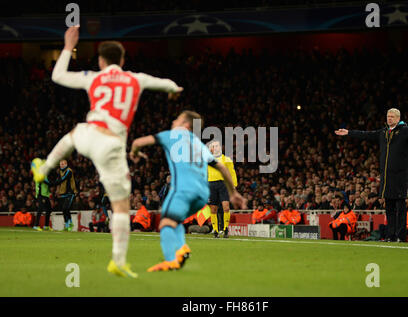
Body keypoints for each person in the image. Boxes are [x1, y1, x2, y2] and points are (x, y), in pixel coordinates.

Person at [30, 26, 183, 278]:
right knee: (121, 207)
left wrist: (68, 47)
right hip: (111, 146)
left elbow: (57, 76)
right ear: (122, 61)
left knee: (72, 134)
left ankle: (43, 169)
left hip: (90, 134)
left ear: (101, 61)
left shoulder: (93, 77)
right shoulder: (135, 78)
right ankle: (118, 262)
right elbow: (165, 83)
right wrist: (174, 89)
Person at [129, 110, 246, 272]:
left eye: (177, 119)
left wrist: (134, 153)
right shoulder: (199, 144)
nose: (173, 121)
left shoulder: (170, 135)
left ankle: (172, 259)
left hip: (183, 190)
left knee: (166, 224)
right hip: (202, 193)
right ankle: (182, 249)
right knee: (174, 220)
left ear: (186, 124)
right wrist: (233, 193)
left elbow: (137, 142)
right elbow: (221, 167)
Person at [335, 108, 408, 242]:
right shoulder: (383, 132)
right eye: (388, 116)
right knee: (389, 207)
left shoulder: (404, 130)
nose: (389, 118)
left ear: (397, 118)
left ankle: (400, 236)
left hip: (399, 175)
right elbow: (366, 134)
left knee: (400, 207)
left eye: (392, 117)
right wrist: (349, 132)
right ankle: (390, 235)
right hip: (386, 175)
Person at [207, 140, 238, 238]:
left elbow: (232, 172)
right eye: (213, 146)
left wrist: (233, 185)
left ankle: (225, 229)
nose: (215, 148)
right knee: (213, 209)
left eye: (217, 146)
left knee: (226, 207)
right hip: (211, 184)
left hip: (223, 184)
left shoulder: (226, 159)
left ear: (220, 148)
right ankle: (215, 230)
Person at [53, 160, 77, 231]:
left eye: (63, 164)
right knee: (65, 210)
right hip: (63, 193)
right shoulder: (60, 171)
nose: (61, 165)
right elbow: (59, 180)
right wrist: (57, 190)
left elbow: (62, 179)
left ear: (66, 164)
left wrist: (52, 184)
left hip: (70, 192)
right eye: (60, 164)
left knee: (65, 208)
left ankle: (70, 223)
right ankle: (67, 224)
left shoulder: (69, 171)